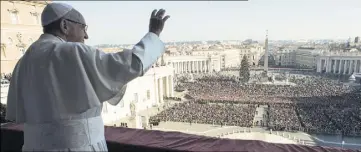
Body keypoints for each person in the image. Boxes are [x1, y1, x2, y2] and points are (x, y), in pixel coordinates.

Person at [5, 2, 170, 152]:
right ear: (64, 25)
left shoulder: (23, 62)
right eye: (84, 28)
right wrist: (153, 34)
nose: (86, 36)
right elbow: (129, 65)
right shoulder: (73, 52)